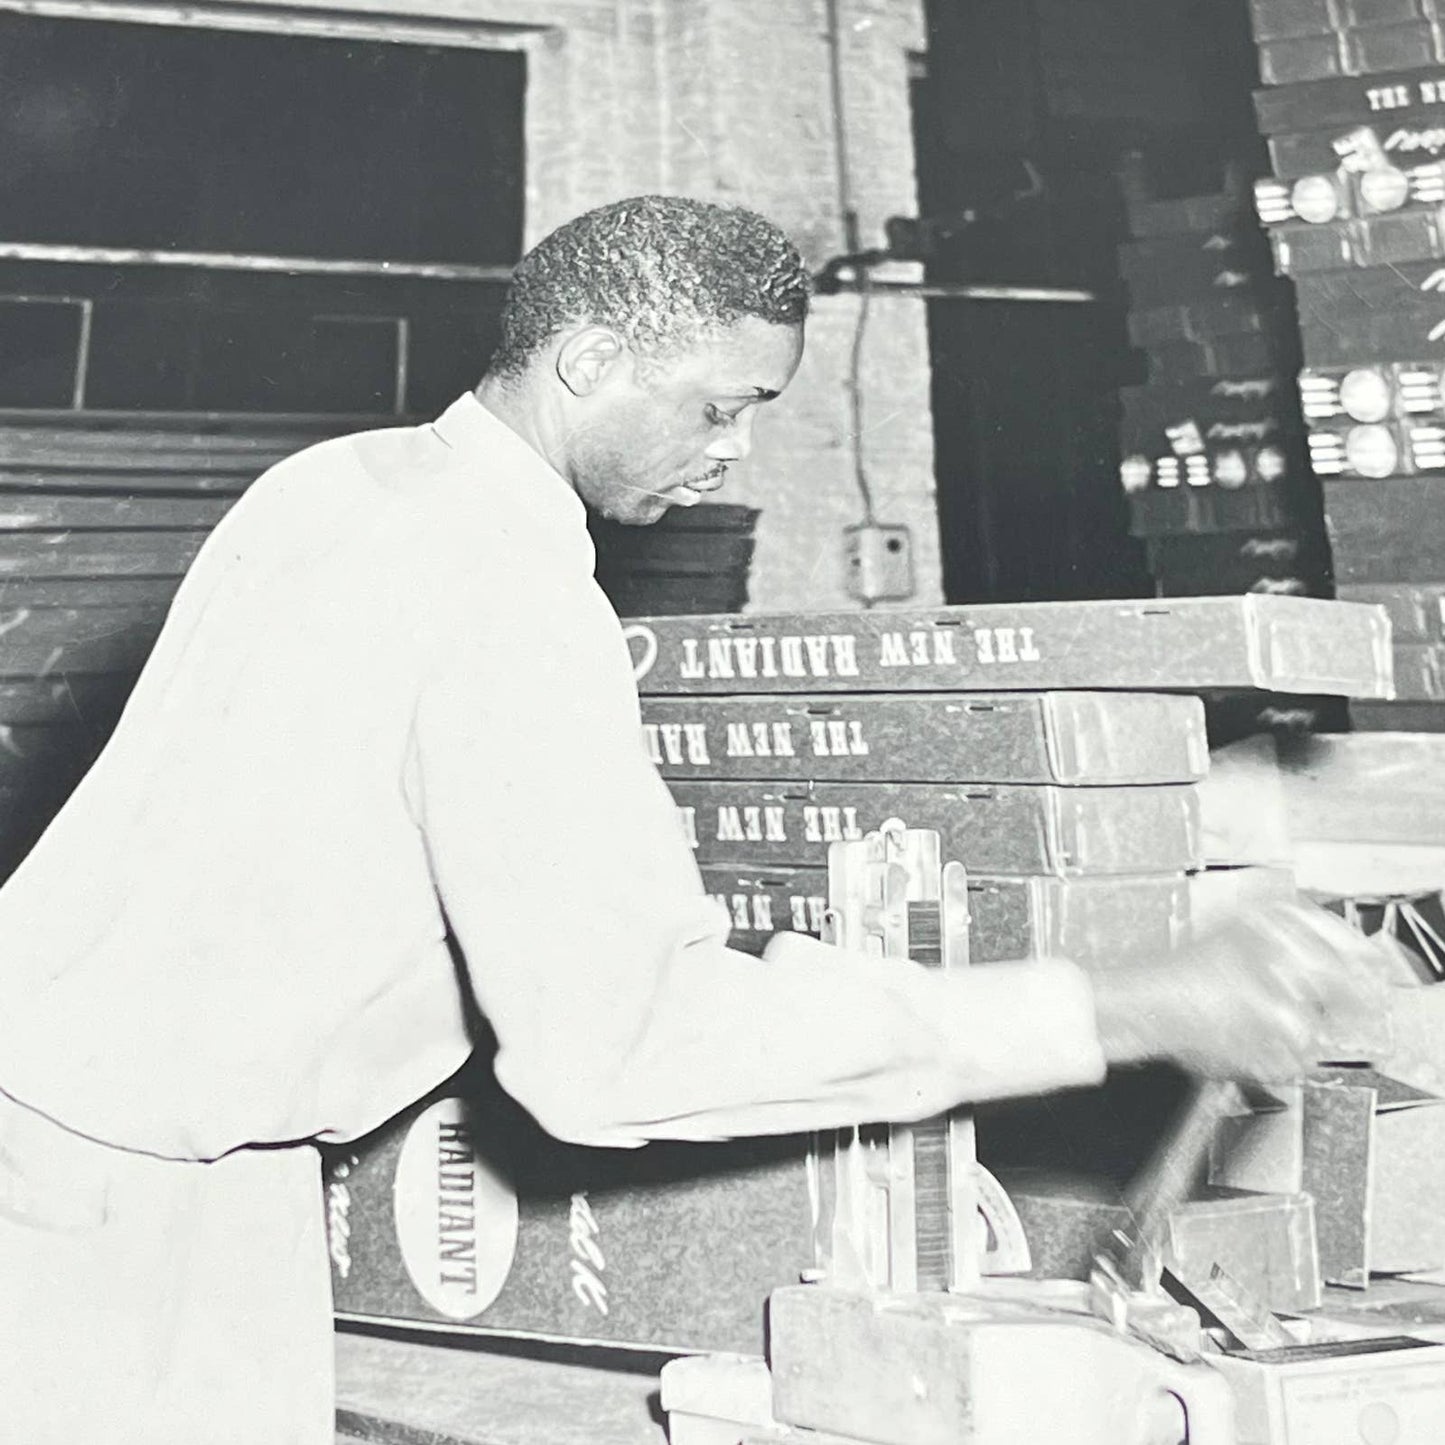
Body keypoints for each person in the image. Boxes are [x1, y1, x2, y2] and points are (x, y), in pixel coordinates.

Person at [0, 195, 1387, 1443]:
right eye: (720, 405)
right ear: (590, 358)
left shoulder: (342, 485)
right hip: (124, 1207)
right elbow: (617, 1050)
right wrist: (1117, 1003)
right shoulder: (507, 593)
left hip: (104, 1134)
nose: (729, 455)